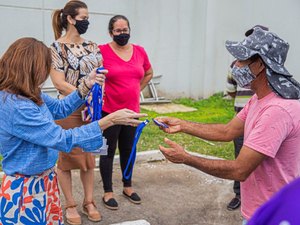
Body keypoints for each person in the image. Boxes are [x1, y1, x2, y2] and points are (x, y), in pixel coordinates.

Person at [156, 27, 300, 223]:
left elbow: (239, 170)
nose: (235, 65)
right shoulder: (259, 99)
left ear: (259, 65)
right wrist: (182, 124)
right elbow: (228, 131)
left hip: (273, 217)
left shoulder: (277, 111)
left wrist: (186, 158)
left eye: (241, 60)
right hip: (258, 211)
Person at [0, 37, 146, 225]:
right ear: (32, 68)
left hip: (43, 183)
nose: (45, 75)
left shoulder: (29, 93)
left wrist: (86, 84)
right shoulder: (16, 106)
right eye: (44, 68)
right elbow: (61, 138)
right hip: (26, 190)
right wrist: (108, 121)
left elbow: (60, 109)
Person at [50, 1, 112, 224]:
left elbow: (102, 74)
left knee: (88, 158)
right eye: (83, 17)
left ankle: (88, 202)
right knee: (66, 159)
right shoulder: (56, 48)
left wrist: (96, 99)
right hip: (68, 110)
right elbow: (59, 82)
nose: (87, 21)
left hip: (92, 111)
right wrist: (84, 95)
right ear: (70, 19)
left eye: (88, 17)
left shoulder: (93, 46)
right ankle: (70, 205)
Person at [98, 15, 153, 210]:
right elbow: (94, 75)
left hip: (132, 112)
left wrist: (137, 89)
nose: (122, 33)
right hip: (109, 111)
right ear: (111, 32)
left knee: (129, 150)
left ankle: (127, 186)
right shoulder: (102, 51)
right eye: (118, 30)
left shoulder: (139, 51)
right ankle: (107, 191)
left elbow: (148, 72)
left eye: (125, 29)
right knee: (107, 151)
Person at [225, 25, 268, 211]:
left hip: (262, 120)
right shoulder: (235, 66)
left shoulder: (270, 66)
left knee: (259, 163)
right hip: (241, 118)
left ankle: (262, 197)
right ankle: (239, 194)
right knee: (239, 158)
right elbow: (231, 90)